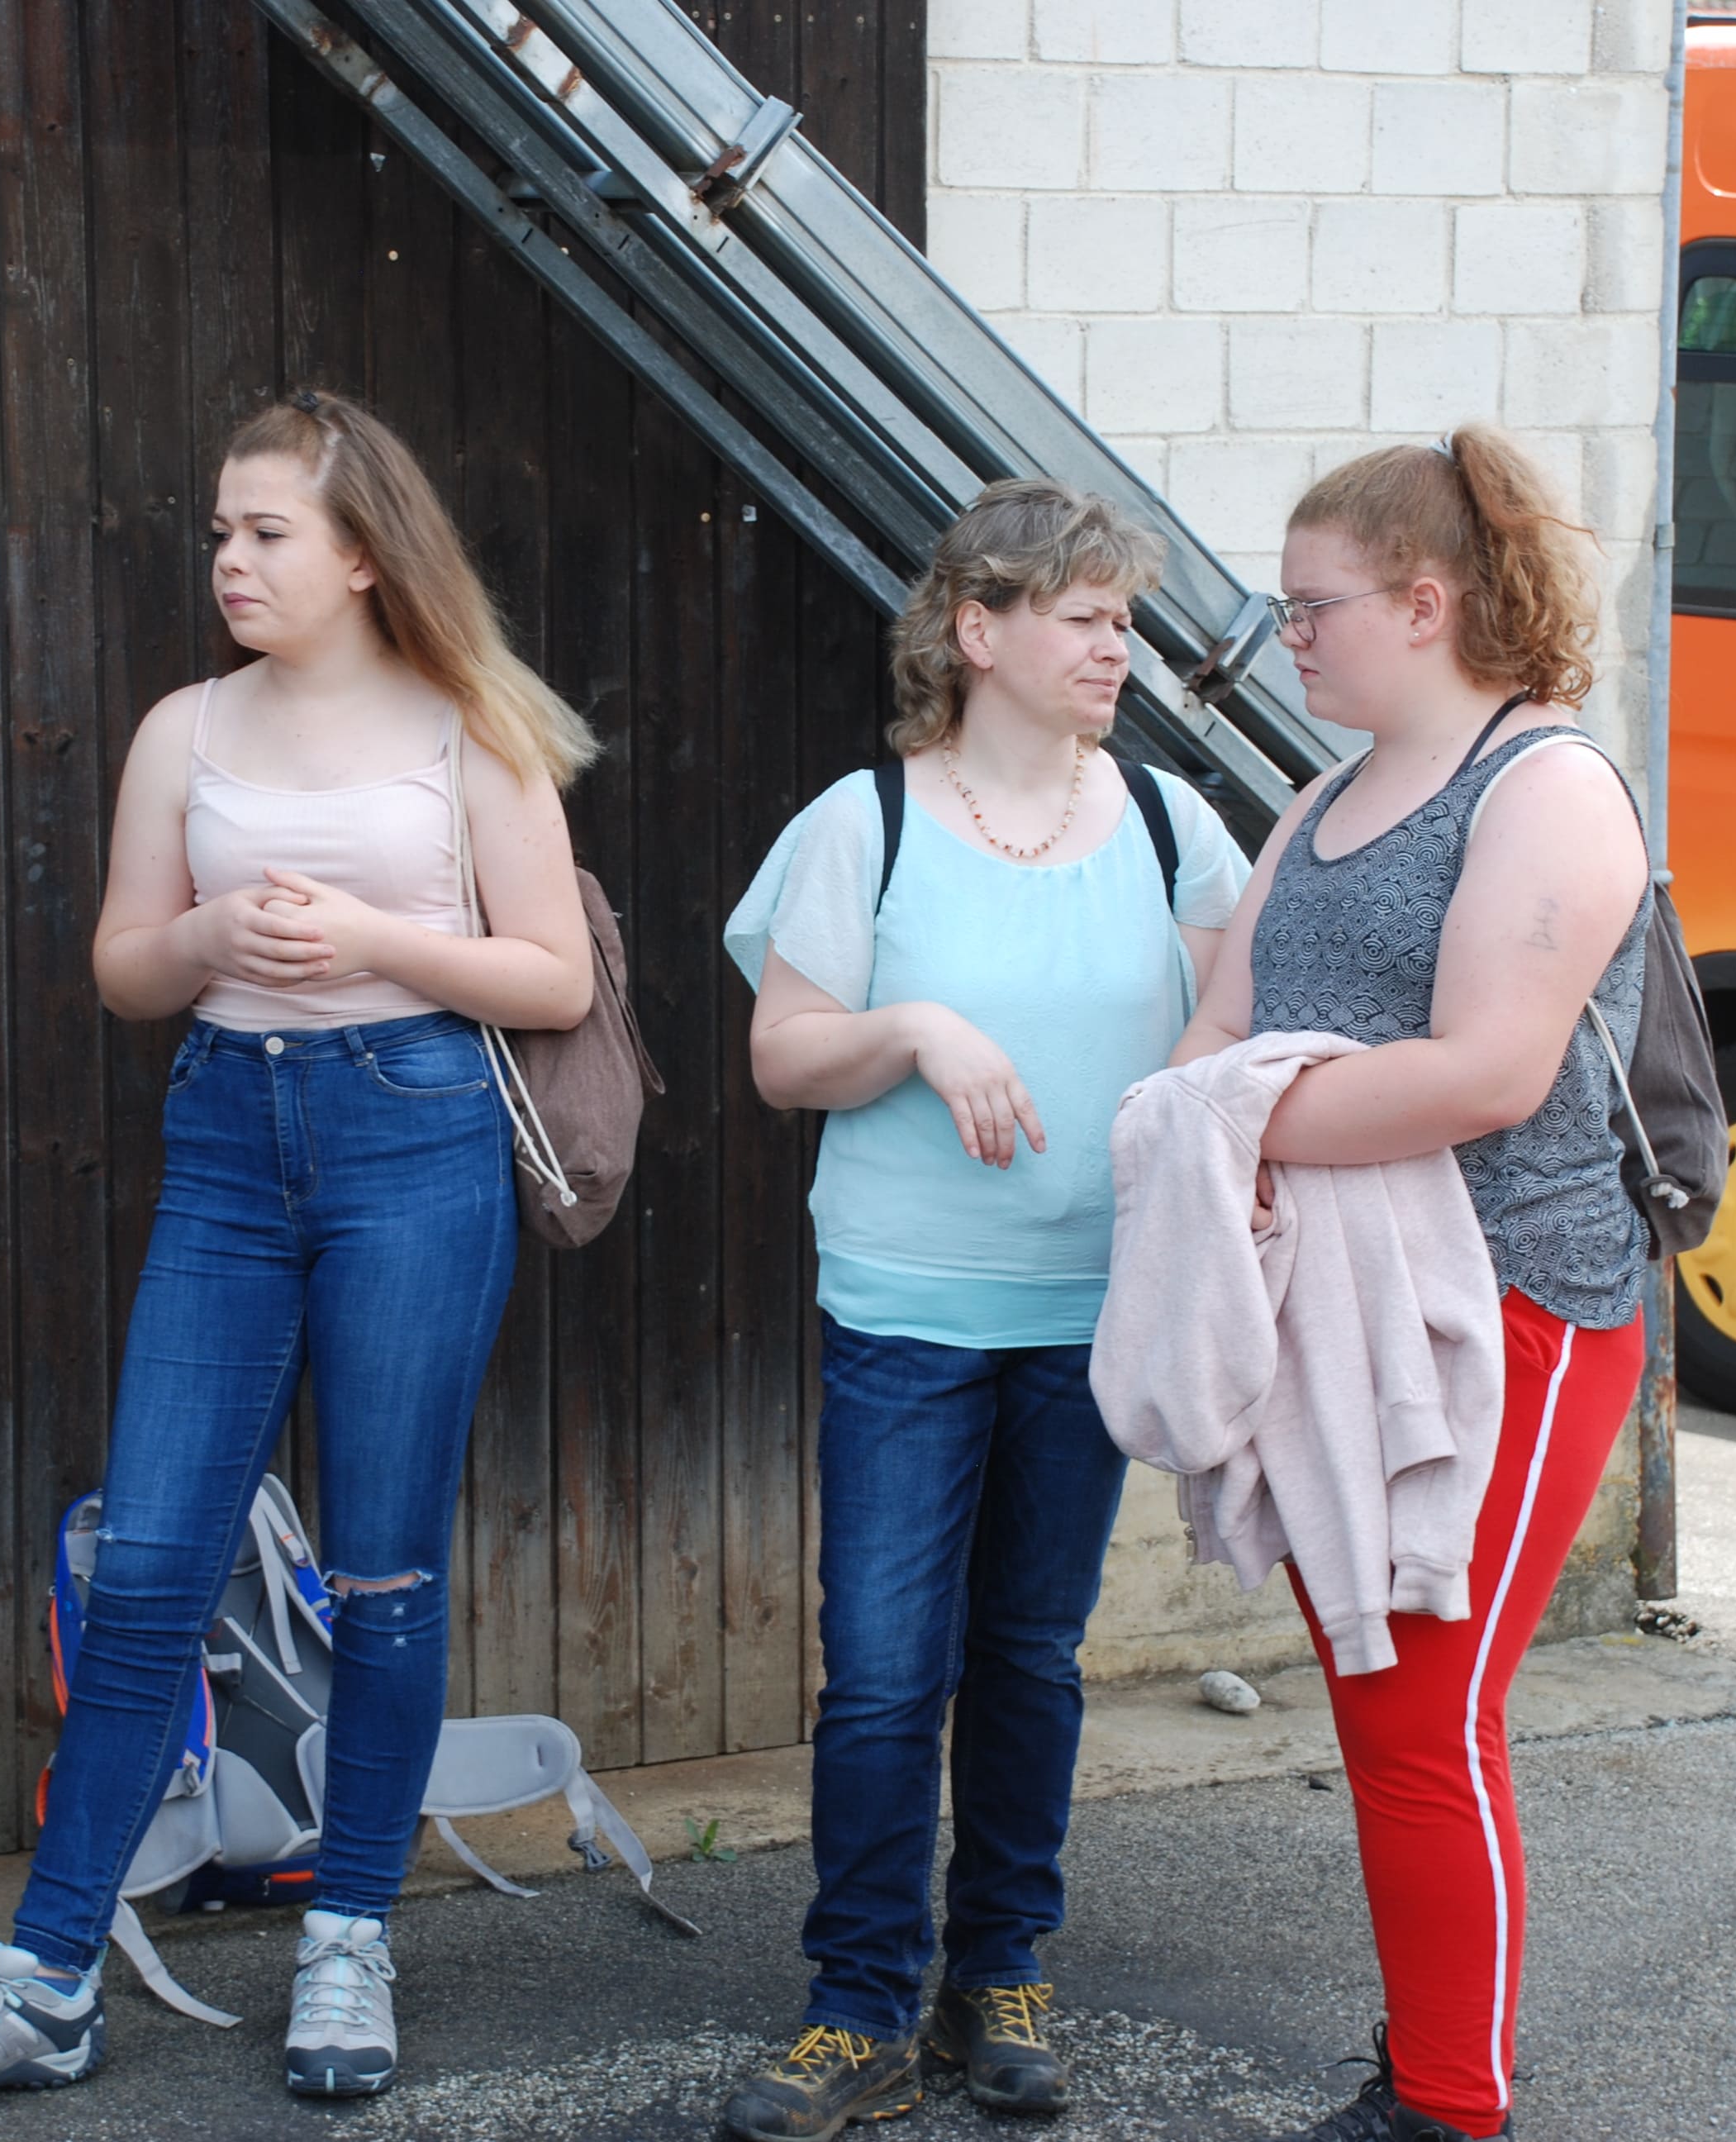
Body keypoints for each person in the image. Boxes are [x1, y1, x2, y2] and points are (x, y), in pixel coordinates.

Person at [0, 391, 597, 2119]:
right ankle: (45, 1979)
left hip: (416, 1138)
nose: (230, 562)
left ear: (363, 553)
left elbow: (552, 976)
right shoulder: (185, 729)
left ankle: (350, 1933)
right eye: (220, 532)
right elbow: (127, 969)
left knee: (384, 1573)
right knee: (152, 1567)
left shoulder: (469, 728)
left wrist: (371, 937)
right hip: (228, 1140)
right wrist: (208, 933)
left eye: (266, 532)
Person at [711, 480, 1252, 2140]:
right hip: (907, 1315)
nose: (1118, 649)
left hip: (1091, 1313)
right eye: (1086, 618)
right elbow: (783, 1056)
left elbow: (1230, 1038)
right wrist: (916, 1029)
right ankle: (858, 2006)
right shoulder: (861, 823)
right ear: (978, 630)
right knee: (885, 1673)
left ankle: (998, 1971)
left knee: (1029, 1657)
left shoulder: (1168, 825)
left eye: (1124, 620)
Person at [1169, 425, 1650, 2142]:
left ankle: (1450, 2106)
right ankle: (1437, 2067)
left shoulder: (1548, 789)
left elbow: (1486, 1075)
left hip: (1515, 1307)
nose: (1286, 637)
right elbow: (1216, 1029)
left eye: (1313, 608)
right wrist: (1219, 1107)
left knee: (1422, 1716)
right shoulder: (1318, 800)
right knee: (1394, 1715)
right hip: (1334, 1308)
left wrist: (1230, 1126)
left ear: (1427, 604)